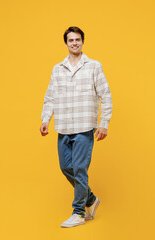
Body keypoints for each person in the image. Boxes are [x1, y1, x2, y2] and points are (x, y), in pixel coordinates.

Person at [39, 26, 113, 228]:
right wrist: (46, 119)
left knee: (80, 169)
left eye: (78, 40)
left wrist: (103, 124)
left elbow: (105, 95)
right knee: (66, 167)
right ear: (66, 43)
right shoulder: (57, 69)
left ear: (82, 41)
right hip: (63, 126)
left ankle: (79, 212)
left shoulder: (94, 66)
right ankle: (91, 199)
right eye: (71, 40)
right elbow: (50, 97)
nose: (74, 43)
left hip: (84, 126)